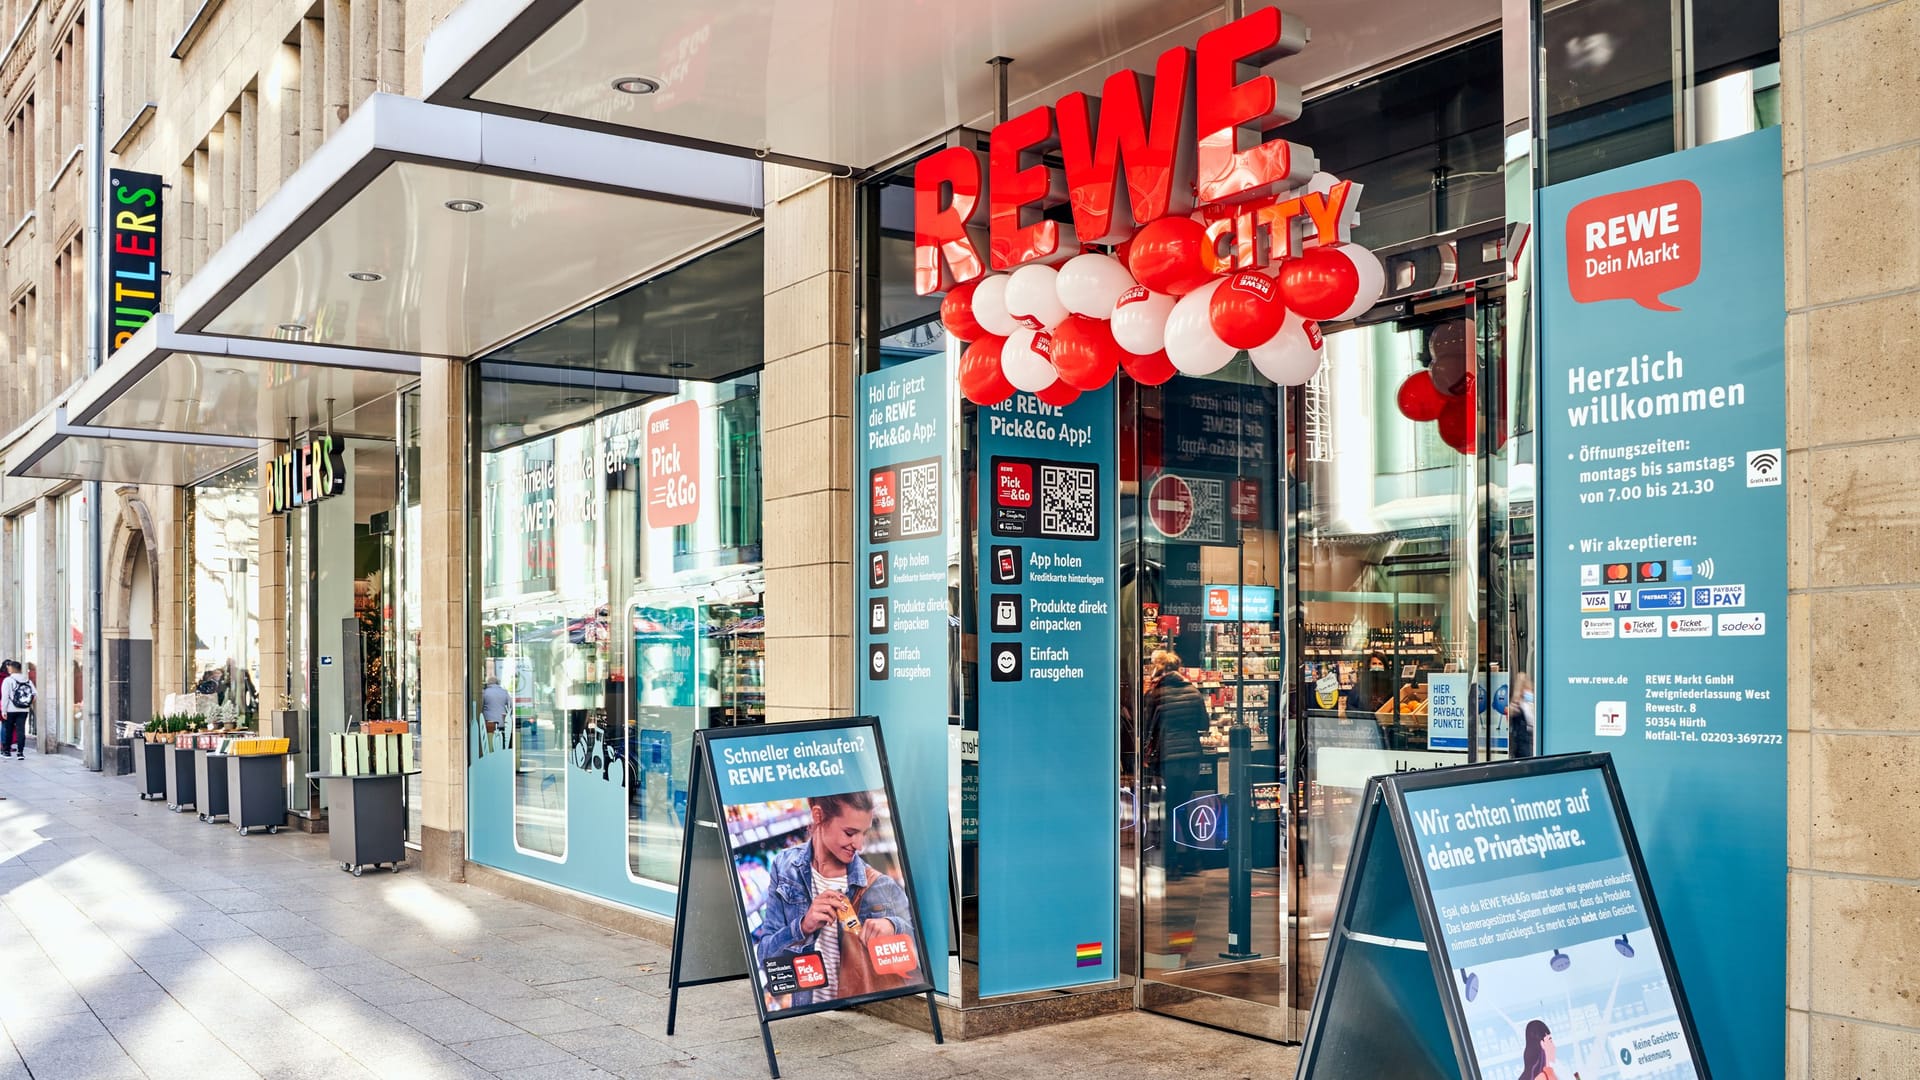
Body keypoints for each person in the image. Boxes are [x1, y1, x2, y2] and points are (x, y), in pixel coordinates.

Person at [752, 791, 916, 1007]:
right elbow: (766, 958)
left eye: (864, 833)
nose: (859, 845)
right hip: (807, 1013)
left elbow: (920, 956)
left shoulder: (881, 886)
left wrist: (893, 927)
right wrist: (803, 926)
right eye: (850, 833)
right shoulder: (785, 867)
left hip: (865, 1014)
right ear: (818, 816)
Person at [1143, 649, 1209, 877]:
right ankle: (1193, 858)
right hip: (1191, 757)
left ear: (1160, 668)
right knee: (1183, 807)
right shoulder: (1193, 690)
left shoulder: (1156, 693)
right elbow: (1204, 724)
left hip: (1168, 757)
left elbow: (1147, 726)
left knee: (1169, 809)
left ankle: (1169, 863)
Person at [1, 660, 33, 759]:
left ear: (11, 669)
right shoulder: (27, 680)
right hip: (23, 710)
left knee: (8, 730)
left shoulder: (8, 680)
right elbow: (34, 695)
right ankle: (20, 753)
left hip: (10, 709)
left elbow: (5, 697)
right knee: (21, 730)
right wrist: (27, 704)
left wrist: (4, 710)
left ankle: (7, 751)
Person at [1507, 673, 1537, 759]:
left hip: (1527, 744)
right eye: (1525, 686)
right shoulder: (1517, 705)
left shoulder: (1529, 702)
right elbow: (1532, 721)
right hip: (1523, 746)